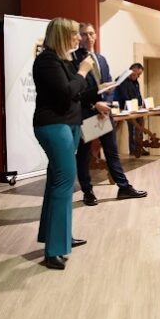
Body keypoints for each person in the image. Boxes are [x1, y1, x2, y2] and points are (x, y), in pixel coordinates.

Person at [32, 17, 99, 270]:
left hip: (68, 124)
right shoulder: (46, 61)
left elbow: (76, 93)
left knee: (56, 181)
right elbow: (65, 93)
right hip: (54, 125)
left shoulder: (63, 60)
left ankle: (57, 236)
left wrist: (99, 91)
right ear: (62, 35)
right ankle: (54, 250)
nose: (79, 38)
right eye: (74, 34)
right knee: (64, 182)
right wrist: (82, 71)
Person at [73, 23, 146, 207]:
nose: (88, 37)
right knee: (84, 155)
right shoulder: (74, 60)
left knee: (112, 152)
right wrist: (94, 105)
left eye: (91, 33)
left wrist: (107, 104)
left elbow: (109, 84)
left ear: (95, 36)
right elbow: (75, 91)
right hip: (87, 114)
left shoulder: (102, 59)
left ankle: (124, 188)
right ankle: (87, 191)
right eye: (84, 34)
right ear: (79, 37)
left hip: (105, 114)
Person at [115, 63, 148, 156]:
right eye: (138, 74)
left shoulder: (135, 82)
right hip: (123, 109)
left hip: (135, 108)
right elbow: (124, 96)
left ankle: (140, 146)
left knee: (141, 123)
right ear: (132, 71)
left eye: (139, 75)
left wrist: (141, 104)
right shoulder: (121, 80)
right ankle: (133, 149)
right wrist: (132, 105)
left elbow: (138, 95)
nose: (138, 76)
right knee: (133, 127)